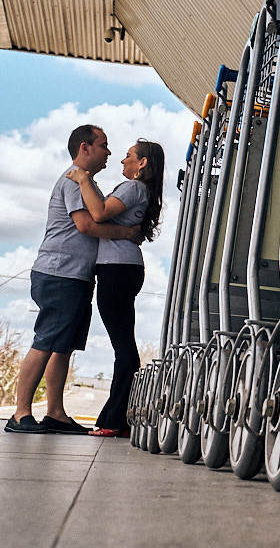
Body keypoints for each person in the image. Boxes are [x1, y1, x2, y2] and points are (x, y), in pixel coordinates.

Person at [5, 125, 141, 435]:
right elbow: (85, 225)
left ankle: (55, 413)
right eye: (104, 145)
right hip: (59, 273)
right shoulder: (74, 179)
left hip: (76, 276)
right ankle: (20, 413)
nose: (109, 152)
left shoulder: (87, 182)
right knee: (46, 341)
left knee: (63, 346)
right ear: (85, 148)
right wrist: (127, 233)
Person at [66, 139, 164, 438]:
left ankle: (114, 420)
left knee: (124, 348)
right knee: (124, 346)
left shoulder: (133, 188)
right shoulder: (140, 190)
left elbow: (98, 214)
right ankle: (115, 417)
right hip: (123, 268)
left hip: (117, 270)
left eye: (128, 156)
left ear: (142, 163)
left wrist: (83, 178)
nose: (122, 160)